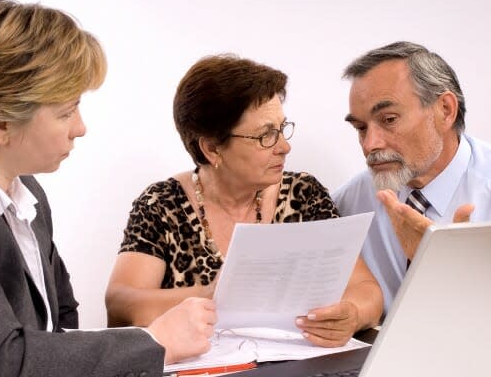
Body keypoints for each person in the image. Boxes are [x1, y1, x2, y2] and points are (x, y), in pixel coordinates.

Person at [0, 0, 216, 377]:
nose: (80, 127)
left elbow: (59, 324)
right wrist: (154, 343)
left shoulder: (26, 193)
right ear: (0, 124)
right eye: (66, 111)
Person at [332, 41, 491, 353]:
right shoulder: (352, 202)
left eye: (388, 119)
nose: (370, 144)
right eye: (361, 128)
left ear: (445, 110)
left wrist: (458, 277)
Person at [105, 54, 384, 348]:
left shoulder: (304, 194)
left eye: (282, 128)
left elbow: (367, 291)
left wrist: (350, 315)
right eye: (266, 135)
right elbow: (122, 306)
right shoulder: (161, 204)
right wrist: (213, 295)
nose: (284, 147)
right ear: (212, 149)